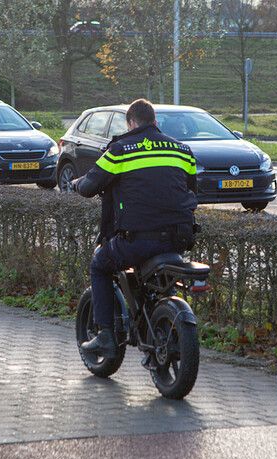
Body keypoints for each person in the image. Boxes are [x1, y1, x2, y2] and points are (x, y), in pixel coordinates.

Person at [71, 99, 198, 359]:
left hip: (137, 241)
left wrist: (75, 183)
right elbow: (192, 189)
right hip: (178, 238)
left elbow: (89, 186)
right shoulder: (183, 150)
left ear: (130, 123)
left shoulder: (120, 150)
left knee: (100, 263)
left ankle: (106, 335)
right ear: (155, 122)